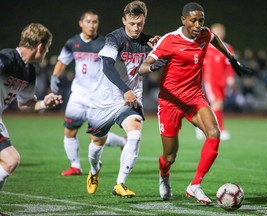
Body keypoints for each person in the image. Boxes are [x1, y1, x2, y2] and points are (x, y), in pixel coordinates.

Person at [139, 2, 252, 203]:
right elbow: (142, 67)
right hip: (170, 102)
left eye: (201, 20)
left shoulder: (204, 34)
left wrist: (231, 59)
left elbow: (214, 38)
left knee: (214, 133)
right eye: (193, 20)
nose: (198, 24)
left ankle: (195, 185)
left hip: (194, 97)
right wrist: (154, 66)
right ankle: (164, 174)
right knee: (170, 156)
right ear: (183, 20)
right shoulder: (169, 40)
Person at [85, 0, 160, 198]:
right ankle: (94, 171)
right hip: (105, 99)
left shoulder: (148, 42)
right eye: (131, 23)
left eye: (140, 24)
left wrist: (161, 49)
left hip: (130, 100)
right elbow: (107, 67)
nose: (136, 28)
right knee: (96, 144)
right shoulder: (113, 39)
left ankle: (120, 183)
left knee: (135, 134)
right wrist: (126, 89)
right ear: (124, 20)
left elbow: (158, 62)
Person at [50, 9, 127, 176]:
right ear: (81, 23)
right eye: (88, 21)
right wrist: (55, 76)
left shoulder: (105, 43)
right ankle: (75, 166)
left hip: (98, 96)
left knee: (95, 136)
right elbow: (63, 61)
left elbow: (116, 65)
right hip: (78, 94)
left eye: (95, 22)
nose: (92, 25)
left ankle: (122, 142)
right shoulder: (72, 43)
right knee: (70, 130)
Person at [0, 23, 63, 191]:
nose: (48, 51)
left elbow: (25, 104)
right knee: (10, 159)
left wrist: (45, 103)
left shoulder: (28, 72)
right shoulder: (6, 59)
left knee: (10, 160)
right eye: (48, 47)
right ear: (40, 47)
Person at [195, 23, 235, 141]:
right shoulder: (206, 47)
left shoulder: (227, 47)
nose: (218, 33)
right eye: (215, 31)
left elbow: (230, 64)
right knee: (217, 103)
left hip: (222, 81)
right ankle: (219, 129)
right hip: (210, 80)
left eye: (220, 31)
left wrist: (230, 77)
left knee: (218, 104)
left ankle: (202, 125)